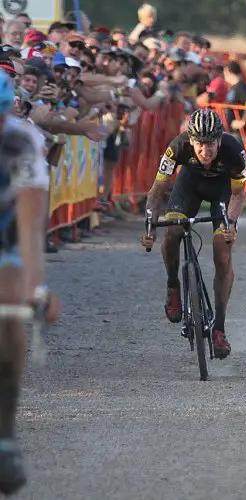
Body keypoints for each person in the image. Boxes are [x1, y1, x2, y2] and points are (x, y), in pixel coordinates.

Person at [140, 109, 246, 359]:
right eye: (199, 144)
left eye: (211, 144)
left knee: (222, 254)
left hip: (222, 190)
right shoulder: (176, 147)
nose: (205, 151)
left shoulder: (234, 152)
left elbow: (238, 194)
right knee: (172, 231)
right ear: (191, 140)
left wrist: (230, 224)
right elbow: (157, 191)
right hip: (189, 185)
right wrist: (149, 225)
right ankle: (173, 285)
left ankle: (219, 329)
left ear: (220, 140)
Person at [0, 70, 60, 496]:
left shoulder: (21, 141)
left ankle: (4, 435)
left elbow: (30, 223)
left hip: (5, 227)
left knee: (10, 310)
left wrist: (35, 290)